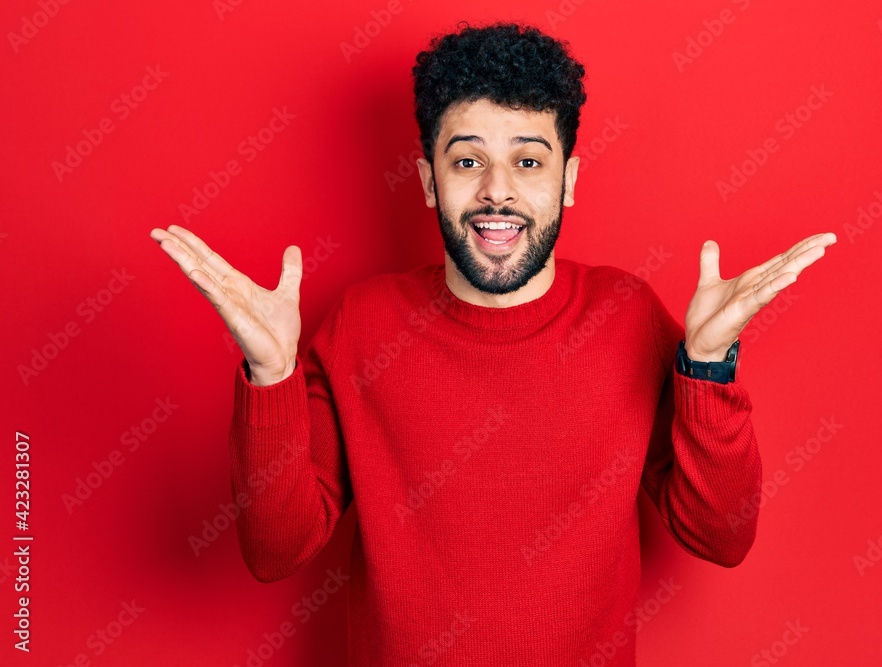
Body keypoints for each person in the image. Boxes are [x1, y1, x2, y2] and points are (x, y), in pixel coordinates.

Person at [150, 20, 835, 666]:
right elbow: (276, 550)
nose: (496, 192)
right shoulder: (361, 323)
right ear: (428, 182)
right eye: (467, 159)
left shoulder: (627, 317)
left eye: (529, 161)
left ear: (566, 182)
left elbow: (721, 535)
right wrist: (271, 374)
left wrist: (708, 366)